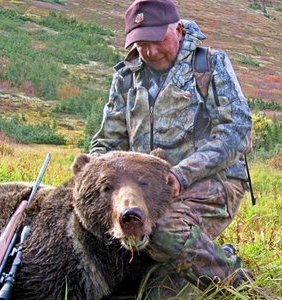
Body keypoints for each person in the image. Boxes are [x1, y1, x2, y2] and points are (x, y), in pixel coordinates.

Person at [90, 0, 253, 297]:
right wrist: (93, 179)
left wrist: (182, 175)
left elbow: (236, 132)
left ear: (177, 29)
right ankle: (199, 258)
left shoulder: (209, 64)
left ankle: (240, 285)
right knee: (149, 283)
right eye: (141, 44)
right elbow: (108, 142)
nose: (150, 52)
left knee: (161, 230)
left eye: (156, 41)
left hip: (213, 181)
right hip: (147, 188)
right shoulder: (125, 77)